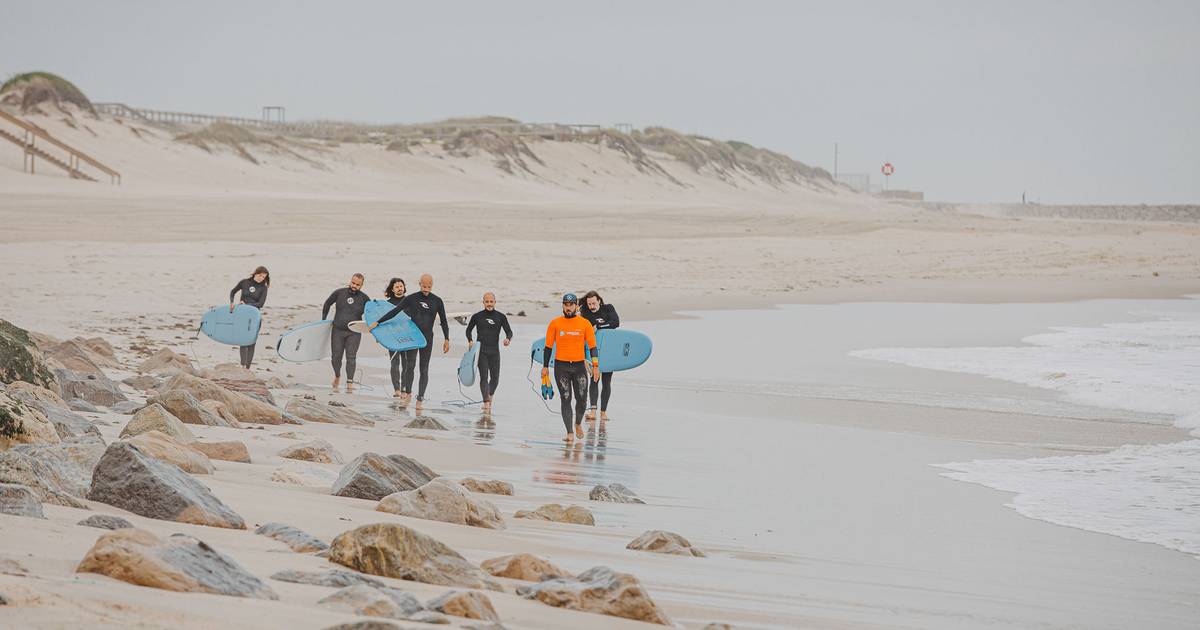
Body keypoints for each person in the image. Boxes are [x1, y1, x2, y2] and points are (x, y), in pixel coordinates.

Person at [373, 273, 449, 410]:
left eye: (429, 287)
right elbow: (395, 311)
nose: (426, 289)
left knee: (424, 369)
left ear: (432, 285)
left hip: (427, 338)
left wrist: (447, 339)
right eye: (424, 286)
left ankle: (420, 399)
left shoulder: (437, 301)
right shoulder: (411, 298)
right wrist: (378, 322)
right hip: (413, 337)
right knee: (410, 366)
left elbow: (443, 321)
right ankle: (408, 394)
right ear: (419, 284)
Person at [540, 293, 599, 443]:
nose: (568, 307)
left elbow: (592, 347)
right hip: (561, 366)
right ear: (563, 306)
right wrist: (545, 367)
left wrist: (596, 366)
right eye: (566, 304)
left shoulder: (584, 323)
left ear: (576, 306)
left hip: (579, 366)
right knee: (565, 398)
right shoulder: (555, 323)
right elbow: (548, 347)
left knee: (582, 400)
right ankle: (570, 432)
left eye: (571, 305)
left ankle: (578, 423)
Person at [465, 292, 513, 411]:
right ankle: (486, 402)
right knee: (484, 378)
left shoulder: (501, 317)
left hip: (494, 352)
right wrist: (470, 340)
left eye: (491, 301)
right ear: (483, 302)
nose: (489, 304)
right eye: (487, 301)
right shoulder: (477, 316)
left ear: (495, 302)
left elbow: (509, 331)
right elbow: (468, 330)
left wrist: (508, 339)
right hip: (482, 351)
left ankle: (489, 396)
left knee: (495, 378)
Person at [322, 273, 369, 393]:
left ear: (362, 285)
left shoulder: (364, 298)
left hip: (354, 332)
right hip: (337, 330)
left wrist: (372, 326)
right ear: (350, 281)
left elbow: (372, 312)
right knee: (335, 358)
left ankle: (349, 382)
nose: (354, 286)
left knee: (351, 357)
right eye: (353, 283)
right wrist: (323, 320)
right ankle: (337, 375)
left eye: (357, 285)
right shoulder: (339, 293)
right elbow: (327, 303)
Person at [580, 290, 619, 421]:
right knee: (594, 379)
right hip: (593, 350)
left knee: (607, 382)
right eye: (589, 304)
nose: (591, 306)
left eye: (593, 303)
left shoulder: (608, 308)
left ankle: (603, 412)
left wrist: (598, 326)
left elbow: (615, 323)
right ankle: (592, 412)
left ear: (599, 301)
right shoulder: (585, 314)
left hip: (609, 350)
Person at [228, 266, 270, 370]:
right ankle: (243, 366)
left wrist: (246, 304)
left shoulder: (263, 288)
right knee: (243, 340)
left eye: (264, 277)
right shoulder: (244, 282)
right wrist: (232, 303)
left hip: (255, 317)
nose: (261, 278)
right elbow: (233, 291)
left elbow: (260, 304)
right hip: (242, 315)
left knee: (251, 342)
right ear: (255, 273)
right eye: (260, 275)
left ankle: (248, 368)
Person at [381, 277, 413, 399]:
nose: (399, 288)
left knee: (406, 363)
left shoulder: (410, 301)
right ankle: (397, 389)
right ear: (392, 289)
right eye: (397, 287)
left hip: (407, 336)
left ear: (404, 287)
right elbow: (384, 320)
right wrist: (381, 337)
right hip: (393, 337)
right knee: (395, 362)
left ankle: (405, 388)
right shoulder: (387, 304)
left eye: (401, 286)